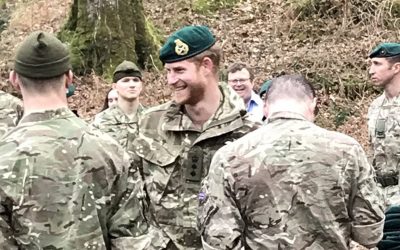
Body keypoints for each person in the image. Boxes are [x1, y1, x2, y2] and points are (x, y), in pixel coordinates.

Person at [0, 31, 150, 249]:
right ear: (69, 78)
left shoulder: (4, 156)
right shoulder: (110, 150)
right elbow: (133, 240)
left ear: (14, 79)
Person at [199, 74, 384, 249]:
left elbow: (219, 240)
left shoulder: (230, 156)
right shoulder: (347, 150)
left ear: (265, 106)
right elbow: (370, 232)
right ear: (313, 104)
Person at [128, 25, 259, 249]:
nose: (170, 80)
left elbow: (261, 212)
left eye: (179, 70)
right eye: (168, 71)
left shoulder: (251, 133)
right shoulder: (150, 124)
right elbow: (129, 199)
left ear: (206, 66)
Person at [368, 42, 400, 208]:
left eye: (377, 64)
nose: (371, 71)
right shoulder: (375, 106)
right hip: (379, 197)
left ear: (396, 68)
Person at [91, 60, 145, 149]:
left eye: (135, 80)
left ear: (141, 85)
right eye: (126, 81)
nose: (132, 85)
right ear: (114, 87)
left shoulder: (152, 118)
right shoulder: (101, 121)